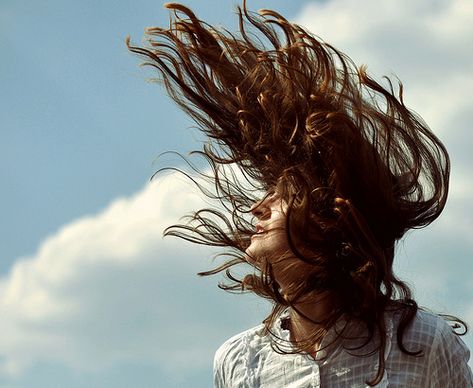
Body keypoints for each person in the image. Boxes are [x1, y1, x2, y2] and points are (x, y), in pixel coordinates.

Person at [127, 2, 473, 386]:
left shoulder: (422, 343)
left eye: (281, 195)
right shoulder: (239, 361)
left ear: (327, 215)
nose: (258, 207)